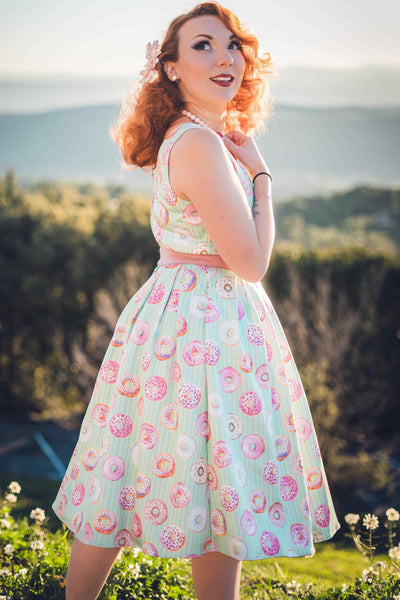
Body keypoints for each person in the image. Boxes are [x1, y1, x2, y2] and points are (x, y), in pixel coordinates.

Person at [52, 2, 340, 599]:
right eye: (203, 45)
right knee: (205, 476)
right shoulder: (202, 145)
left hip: (192, 317)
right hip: (203, 325)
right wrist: (262, 179)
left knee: (188, 483)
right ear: (173, 68)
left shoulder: (195, 136)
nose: (224, 57)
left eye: (232, 45)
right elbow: (252, 262)